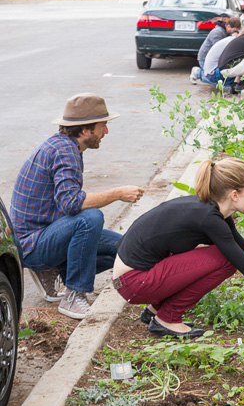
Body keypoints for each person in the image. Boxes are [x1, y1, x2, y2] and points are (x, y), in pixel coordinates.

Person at [112, 157, 244, 338]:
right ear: (234, 195)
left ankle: (155, 311)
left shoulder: (211, 213)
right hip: (134, 282)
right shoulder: (209, 218)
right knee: (225, 259)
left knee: (224, 255)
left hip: (135, 276)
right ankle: (167, 318)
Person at [10, 93, 144, 319]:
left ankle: (57, 271)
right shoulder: (66, 152)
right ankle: (74, 295)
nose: (106, 132)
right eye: (103, 126)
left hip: (44, 233)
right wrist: (118, 193)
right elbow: (71, 203)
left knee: (129, 250)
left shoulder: (64, 145)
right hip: (32, 245)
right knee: (90, 218)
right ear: (85, 130)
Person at [190, 17, 242, 84]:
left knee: (219, 79)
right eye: (235, 30)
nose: (235, 32)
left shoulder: (227, 32)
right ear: (228, 26)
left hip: (215, 58)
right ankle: (197, 72)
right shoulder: (217, 32)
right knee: (212, 79)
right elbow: (217, 49)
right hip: (205, 58)